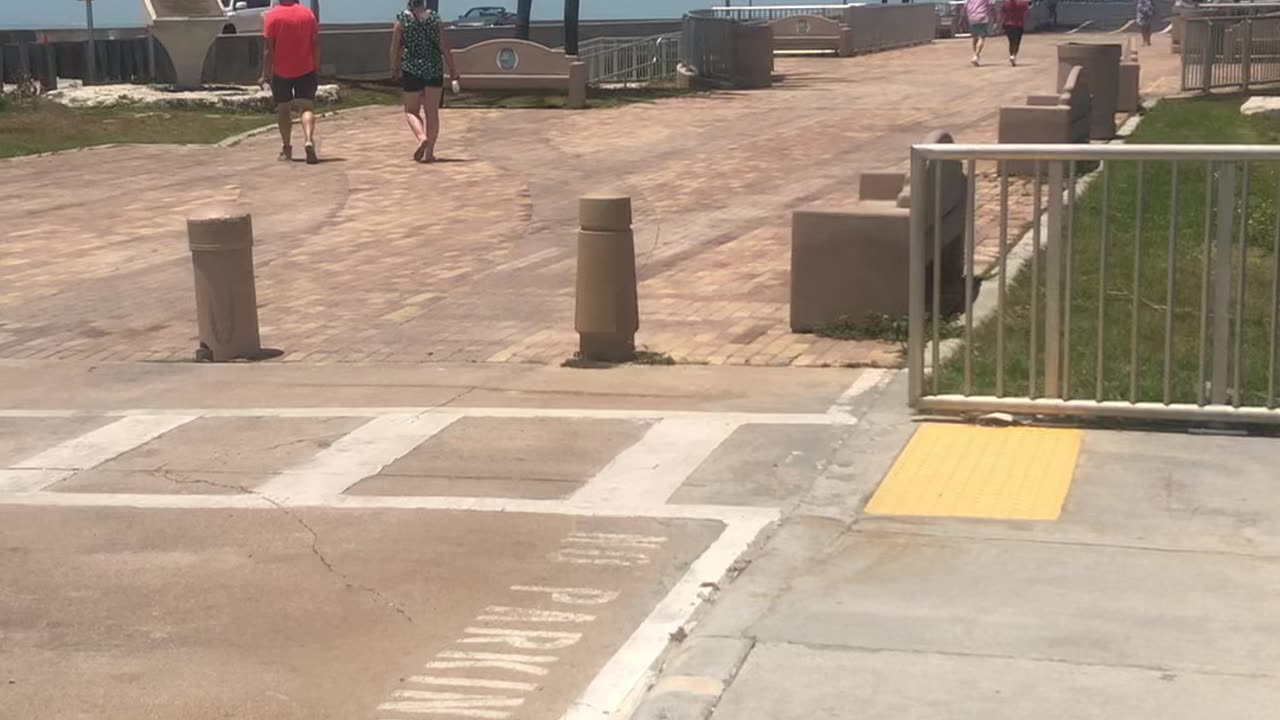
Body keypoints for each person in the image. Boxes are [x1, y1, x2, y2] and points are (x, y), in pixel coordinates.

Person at [390, 0, 460, 163]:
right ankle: (430, 153)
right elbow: (444, 47)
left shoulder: (402, 19)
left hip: (412, 69)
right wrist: (452, 69)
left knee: (411, 110)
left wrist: (393, 67)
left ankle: (421, 137)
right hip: (434, 69)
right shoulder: (435, 19)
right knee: (432, 112)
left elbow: (395, 47)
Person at [258, 0, 321, 164]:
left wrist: (265, 74)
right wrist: (316, 67)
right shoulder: (308, 15)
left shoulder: (271, 16)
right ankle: (308, 139)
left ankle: (287, 148)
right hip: (306, 69)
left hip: (281, 71)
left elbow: (267, 50)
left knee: (284, 110)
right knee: (306, 108)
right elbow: (315, 44)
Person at [964, 0, 993, 66]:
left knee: (974, 37)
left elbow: (965, 6)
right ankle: (976, 55)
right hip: (982, 17)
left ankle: (975, 55)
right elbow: (990, 6)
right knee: (981, 37)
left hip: (972, 17)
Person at [1002, 0, 1029, 66]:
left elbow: (1003, 12)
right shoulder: (1023, 2)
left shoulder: (1006, 2)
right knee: (1017, 41)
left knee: (1011, 41)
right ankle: (1014, 55)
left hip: (1008, 24)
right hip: (1019, 25)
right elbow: (1027, 13)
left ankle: (1011, 54)